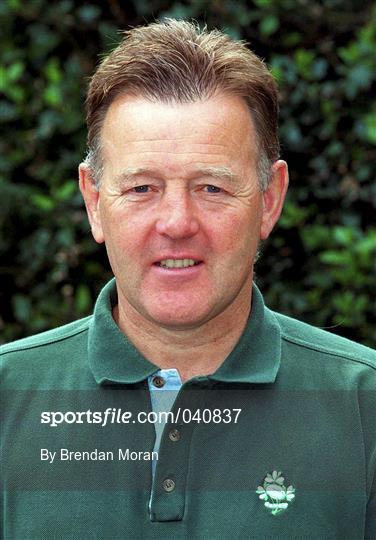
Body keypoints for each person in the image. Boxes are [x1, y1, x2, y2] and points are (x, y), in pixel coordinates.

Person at [1, 19, 375, 539]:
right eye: (142, 188)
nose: (176, 223)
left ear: (269, 200)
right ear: (94, 200)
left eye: (212, 188)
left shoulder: (364, 408)